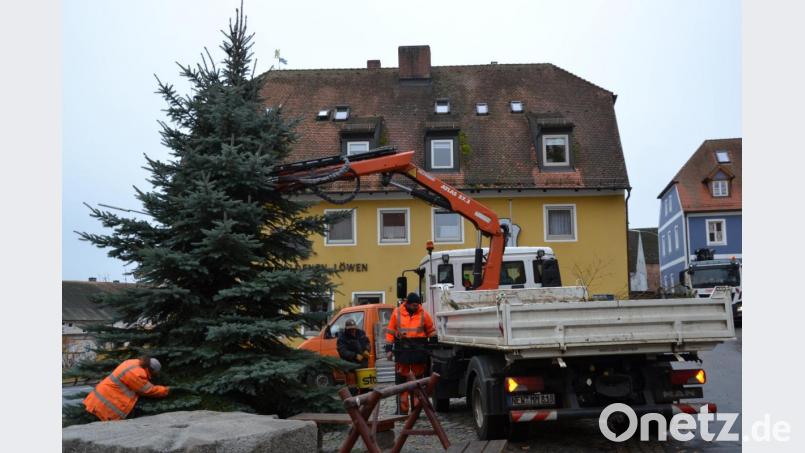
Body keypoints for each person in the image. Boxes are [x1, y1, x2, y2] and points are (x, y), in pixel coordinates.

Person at [384, 292, 437, 414]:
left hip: (418, 350)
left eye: (417, 305)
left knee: (418, 381)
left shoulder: (423, 313)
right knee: (402, 380)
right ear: (407, 304)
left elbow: (431, 330)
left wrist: (433, 344)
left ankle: (416, 410)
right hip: (402, 350)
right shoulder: (397, 313)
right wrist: (388, 349)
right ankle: (402, 410)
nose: (416, 307)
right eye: (414, 305)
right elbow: (390, 332)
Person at [83, 355, 170, 421]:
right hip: (104, 405)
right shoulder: (137, 373)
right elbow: (148, 390)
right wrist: (166, 390)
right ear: (150, 369)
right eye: (155, 373)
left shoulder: (132, 362)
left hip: (98, 399)